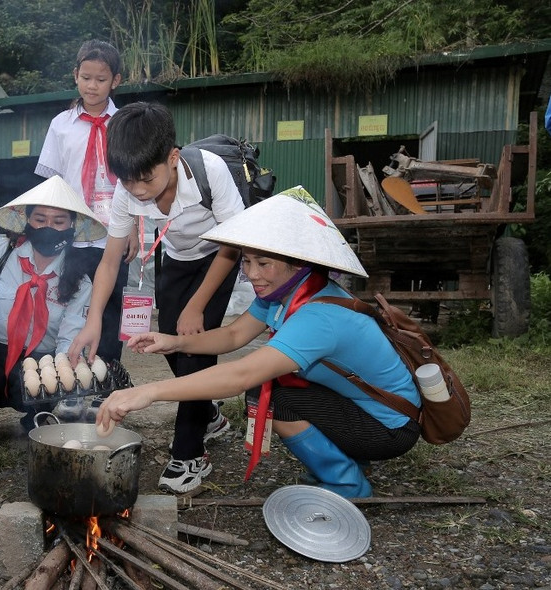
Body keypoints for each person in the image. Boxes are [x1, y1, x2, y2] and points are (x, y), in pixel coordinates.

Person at [96, 187, 422, 499]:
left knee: (272, 399)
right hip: (365, 408)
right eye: (247, 261)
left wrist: (147, 392)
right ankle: (347, 457)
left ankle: (348, 483)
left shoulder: (318, 316)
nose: (253, 274)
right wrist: (175, 343)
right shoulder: (285, 293)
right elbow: (234, 335)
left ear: (300, 264)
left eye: (264, 263)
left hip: (389, 427)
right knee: (268, 393)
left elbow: (240, 375)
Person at [68, 101, 243, 494]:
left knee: (196, 349)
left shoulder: (210, 172)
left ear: (173, 157)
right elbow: (110, 261)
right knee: (167, 342)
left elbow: (235, 245)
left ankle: (190, 454)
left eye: (146, 179)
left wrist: (197, 305)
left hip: (220, 255)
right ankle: (207, 412)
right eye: (129, 181)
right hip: (177, 257)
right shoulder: (128, 187)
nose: (138, 190)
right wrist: (93, 320)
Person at [0, 175, 107, 454]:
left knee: (48, 389)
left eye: (58, 221)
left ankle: (37, 415)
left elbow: (69, 338)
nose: (48, 227)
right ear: (27, 221)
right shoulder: (1, 251)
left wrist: (61, 376)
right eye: (40, 219)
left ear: (71, 227)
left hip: (41, 360)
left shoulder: (79, 281)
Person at [35, 39, 138, 422]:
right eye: (85, 77)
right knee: (71, 306)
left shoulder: (125, 124)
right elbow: (54, 185)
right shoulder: (60, 126)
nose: (92, 86)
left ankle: (104, 384)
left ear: (116, 81)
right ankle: (72, 383)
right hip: (75, 234)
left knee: (111, 311)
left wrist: (133, 229)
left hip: (116, 231)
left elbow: (134, 178)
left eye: (101, 79)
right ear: (75, 77)